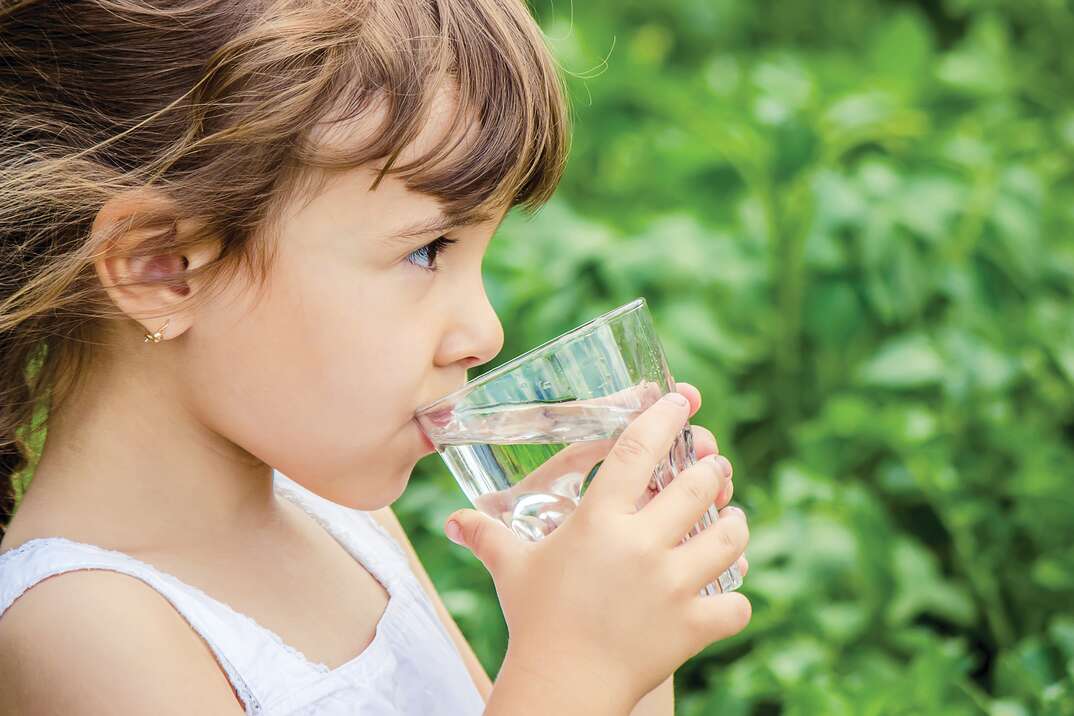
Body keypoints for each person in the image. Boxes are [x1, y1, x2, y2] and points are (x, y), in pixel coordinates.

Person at [0, 1, 751, 713]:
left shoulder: (344, 526)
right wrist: (576, 669)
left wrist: (625, 645)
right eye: (428, 250)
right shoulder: (79, 625)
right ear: (163, 267)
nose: (485, 333)